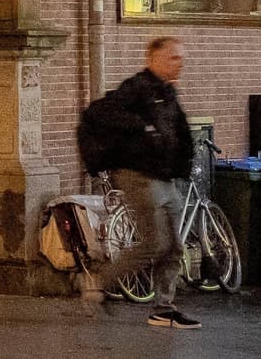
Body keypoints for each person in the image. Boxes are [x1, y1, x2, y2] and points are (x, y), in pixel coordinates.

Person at [84, 36, 199, 330]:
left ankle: (164, 308)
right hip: (138, 176)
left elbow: (178, 129)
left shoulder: (167, 92)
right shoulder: (137, 87)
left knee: (173, 246)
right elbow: (99, 112)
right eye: (174, 58)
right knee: (152, 243)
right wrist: (142, 127)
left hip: (165, 177)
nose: (180, 64)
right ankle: (98, 280)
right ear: (154, 59)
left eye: (181, 58)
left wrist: (183, 160)